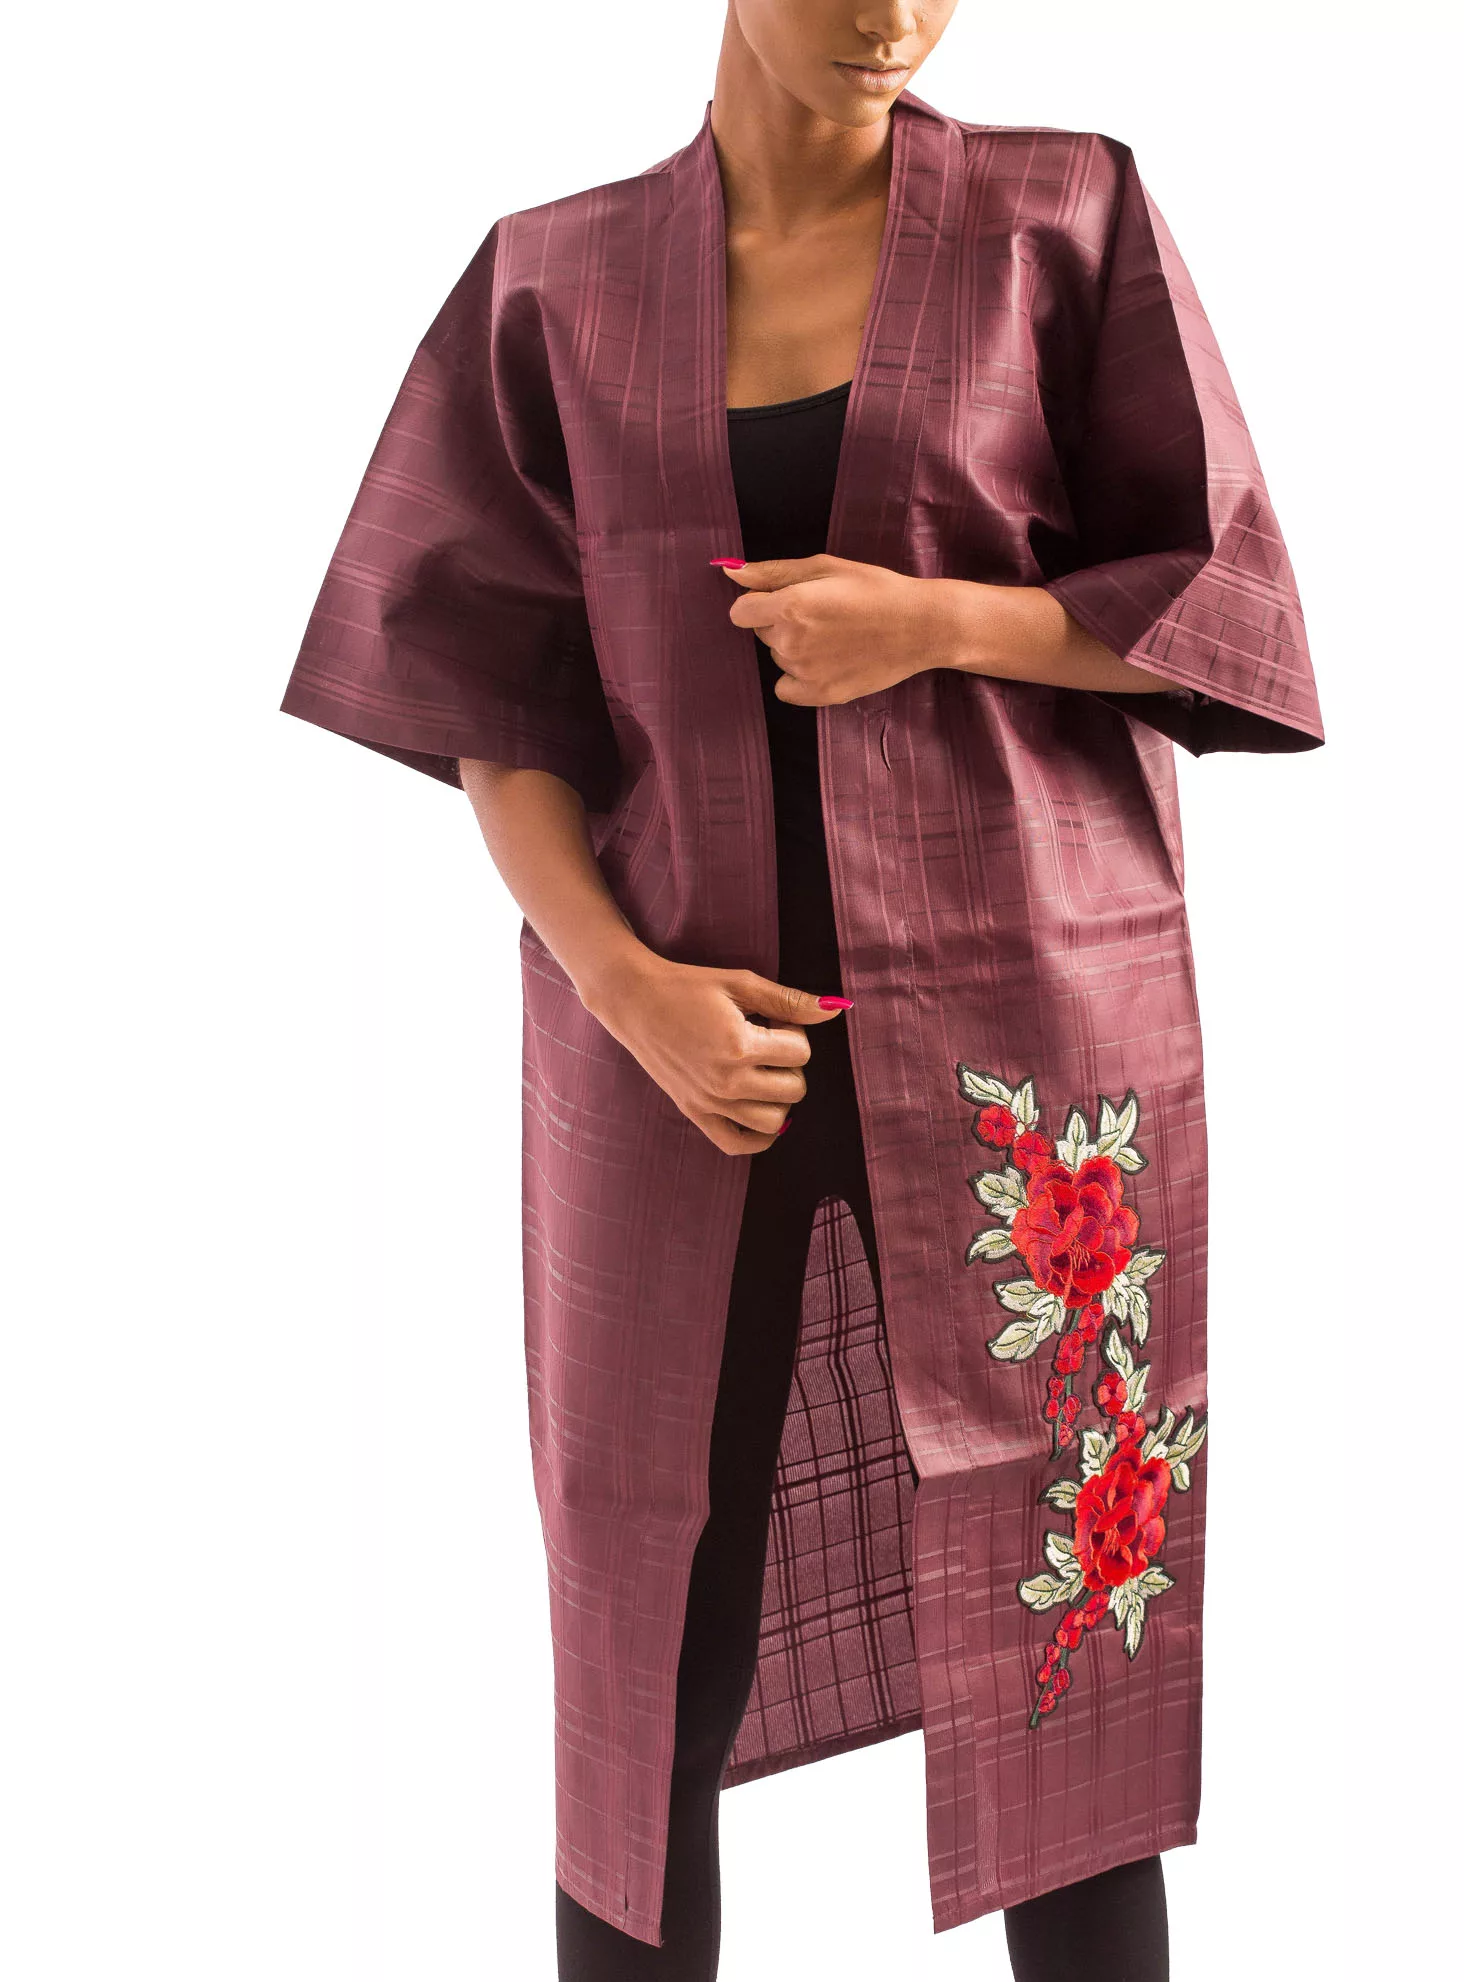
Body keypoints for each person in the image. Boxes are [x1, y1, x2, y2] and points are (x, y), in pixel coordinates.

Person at [282, 3, 1323, 1974]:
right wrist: (626, 987)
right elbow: (491, 699)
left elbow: (1224, 606)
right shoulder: (555, 279)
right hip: (687, 1055)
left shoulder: (1062, 215)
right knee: (645, 1655)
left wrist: (932, 617)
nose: (890, 14)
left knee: (1063, 1656)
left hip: (1030, 1053)